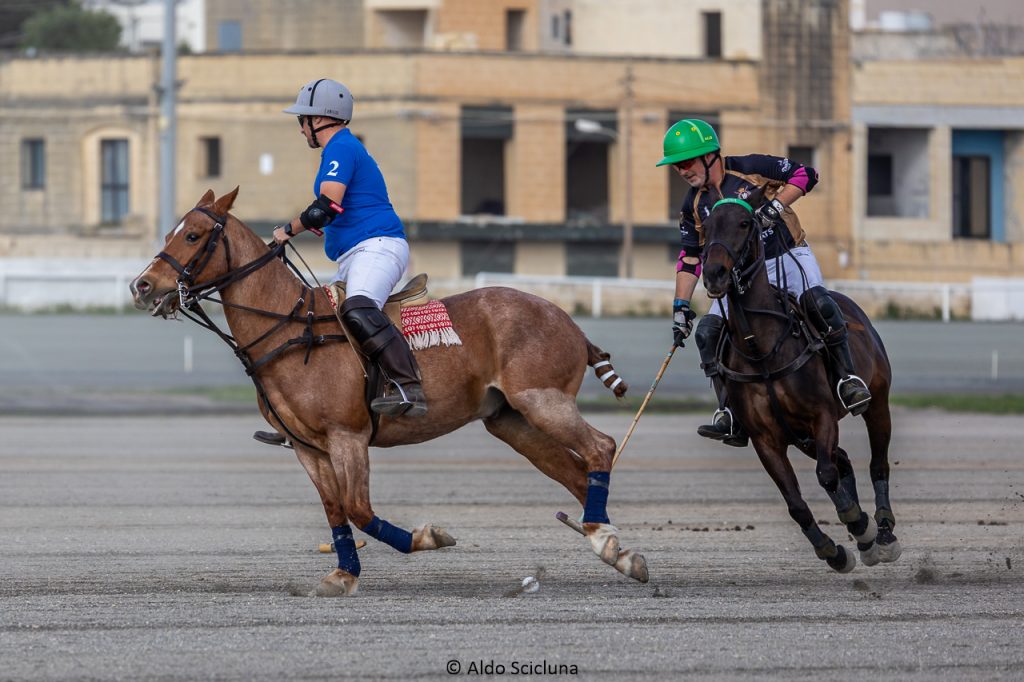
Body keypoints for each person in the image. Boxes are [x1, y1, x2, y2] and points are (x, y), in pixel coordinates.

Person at [659, 119, 871, 447]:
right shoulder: (694, 205)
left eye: (686, 162)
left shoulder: (751, 168)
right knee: (707, 332)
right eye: (676, 167)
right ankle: (728, 410)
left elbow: (806, 175)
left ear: (710, 156)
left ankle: (847, 379)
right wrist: (680, 307)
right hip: (742, 276)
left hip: (787, 256)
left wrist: (775, 206)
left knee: (820, 305)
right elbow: (690, 258)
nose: (682, 171)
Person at [254, 78, 426, 447]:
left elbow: (326, 208)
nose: (300, 128)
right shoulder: (337, 151)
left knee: (359, 308)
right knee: (320, 324)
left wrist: (288, 230)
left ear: (319, 119)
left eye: (303, 120)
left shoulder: (342, 147)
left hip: (378, 247)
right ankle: (307, 420)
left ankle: (408, 387)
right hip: (355, 253)